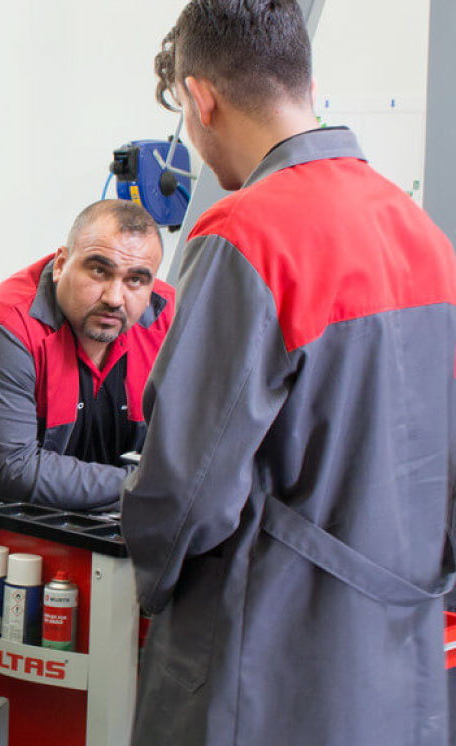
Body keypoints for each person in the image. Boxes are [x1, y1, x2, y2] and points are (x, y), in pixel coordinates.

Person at [121, 2, 456, 744]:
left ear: (200, 97)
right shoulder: (423, 235)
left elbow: (186, 489)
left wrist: (148, 563)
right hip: (402, 666)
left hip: (269, 668)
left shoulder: (249, 234)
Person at [0, 199, 172, 509]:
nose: (114, 298)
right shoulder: (5, 327)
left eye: (135, 280)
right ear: (60, 265)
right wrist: (148, 486)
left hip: (129, 519)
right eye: (99, 271)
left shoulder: (169, 319)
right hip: (17, 523)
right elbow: (15, 470)